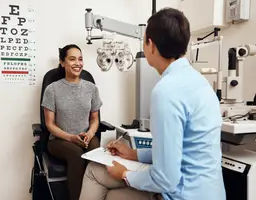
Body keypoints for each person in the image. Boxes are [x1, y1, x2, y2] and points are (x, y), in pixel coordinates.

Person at [79, 8, 226, 200]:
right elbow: (178, 151)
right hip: (211, 192)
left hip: (183, 193)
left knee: (98, 178)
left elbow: (166, 179)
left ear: (151, 45)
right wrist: (133, 154)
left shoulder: (166, 91)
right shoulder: (200, 82)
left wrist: (125, 174)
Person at [41, 44, 103, 200]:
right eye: (72, 59)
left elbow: (95, 119)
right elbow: (49, 124)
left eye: (80, 59)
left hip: (85, 137)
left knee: (95, 152)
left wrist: (89, 134)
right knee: (76, 154)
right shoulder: (52, 89)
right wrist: (70, 138)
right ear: (62, 62)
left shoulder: (91, 88)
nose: (78, 63)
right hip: (59, 141)